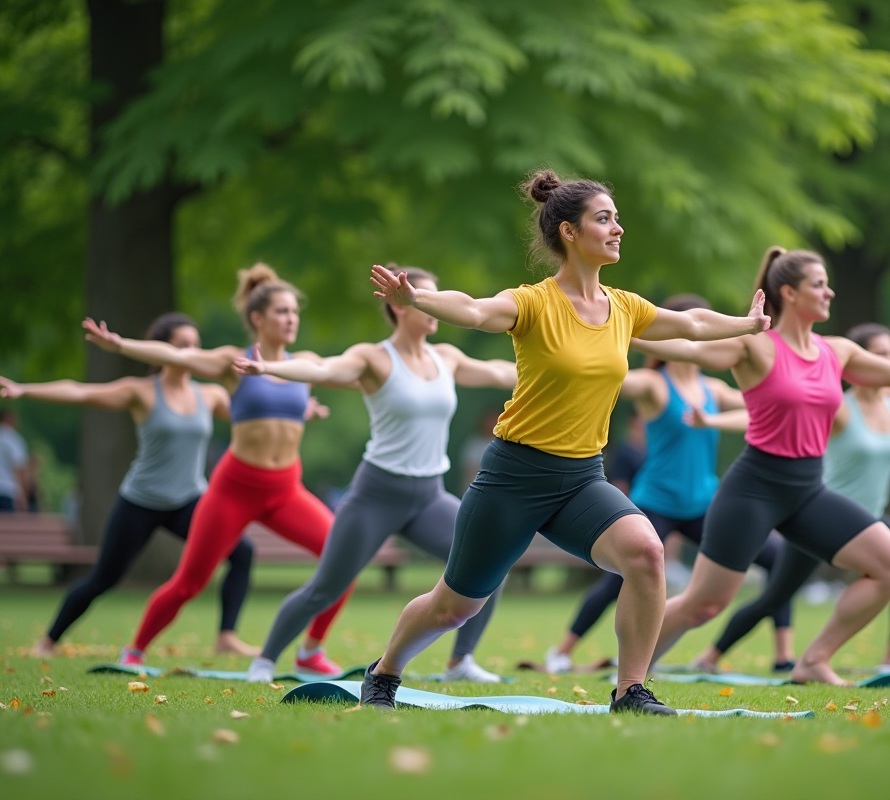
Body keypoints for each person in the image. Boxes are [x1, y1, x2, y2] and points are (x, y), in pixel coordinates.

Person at [358, 169, 770, 714]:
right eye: (604, 219)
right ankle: (384, 673)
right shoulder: (532, 303)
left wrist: (747, 324)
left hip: (580, 478)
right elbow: (475, 310)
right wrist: (419, 299)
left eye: (617, 218)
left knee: (646, 553)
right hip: (513, 478)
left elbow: (690, 325)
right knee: (454, 606)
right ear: (569, 233)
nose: (618, 228)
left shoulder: (625, 308)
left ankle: (631, 690)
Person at [632, 247, 890, 685]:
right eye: (819, 284)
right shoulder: (756, 346)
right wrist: (616, 328)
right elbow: (688, 345)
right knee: (703, 604)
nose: (829, 292)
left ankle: (814, 661)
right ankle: (631, 672)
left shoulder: (837, 351)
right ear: (789, 293)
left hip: (808, 490)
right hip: (754, 489)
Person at [235, 266, 518, 683]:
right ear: (399, 305)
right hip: (376, 495)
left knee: (490, 562)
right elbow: (324, 370)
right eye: (425, 298)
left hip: (429, 497)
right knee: (325, 588)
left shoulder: (446, 358)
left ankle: (460, 663)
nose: (435, 306)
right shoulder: (373, 358)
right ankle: (264, 662)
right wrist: (272, 369)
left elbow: (503, 372)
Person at [685, 322, 890, 671]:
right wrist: (713, 422)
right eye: (879, 355)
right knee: (774, 598)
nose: (888, 361)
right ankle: (710, 655)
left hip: (870, 518)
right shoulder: (839, 408)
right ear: (859, 363)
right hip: (820, 516)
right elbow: (760, 416)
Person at [83, 264, 351, 674]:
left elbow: (343, 371)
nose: (291, 319)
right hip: (234, 490)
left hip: (285, 490)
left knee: (344, 557)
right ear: (257, 318)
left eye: (294, 311)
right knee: (189, 583)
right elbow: (178, 355)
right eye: (281, 311)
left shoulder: (305, 363)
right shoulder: (234, 362)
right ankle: (134, 650)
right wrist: (121, 346)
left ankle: (310, 651)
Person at [544, 295, 793, 675]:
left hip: (702, 504)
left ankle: (781, 655)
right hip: (655, 502)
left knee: (778, 558)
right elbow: (607, 373)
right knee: (620, 577)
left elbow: (762, 407)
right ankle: (561, 653)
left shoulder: (714, 389)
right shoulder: (652, 385)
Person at [0, 314, 257, 658]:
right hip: (141, 502)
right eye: (182, 345)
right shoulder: (140, 391)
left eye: (196, 344)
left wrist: (298, 410)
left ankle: (226, 637)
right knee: (103, 579)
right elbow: (81, 392)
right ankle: (47, 643)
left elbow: (256, 419)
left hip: (189, 500)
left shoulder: (210, 395)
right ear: (160, 349)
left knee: (242, 551)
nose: (191, 352)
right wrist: (26, 389)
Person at [0, 408, 29, 511]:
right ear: (8, 419)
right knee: (6, 521)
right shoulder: (13, 438)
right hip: (7, 489)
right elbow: (18, 468)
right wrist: (23, 495)